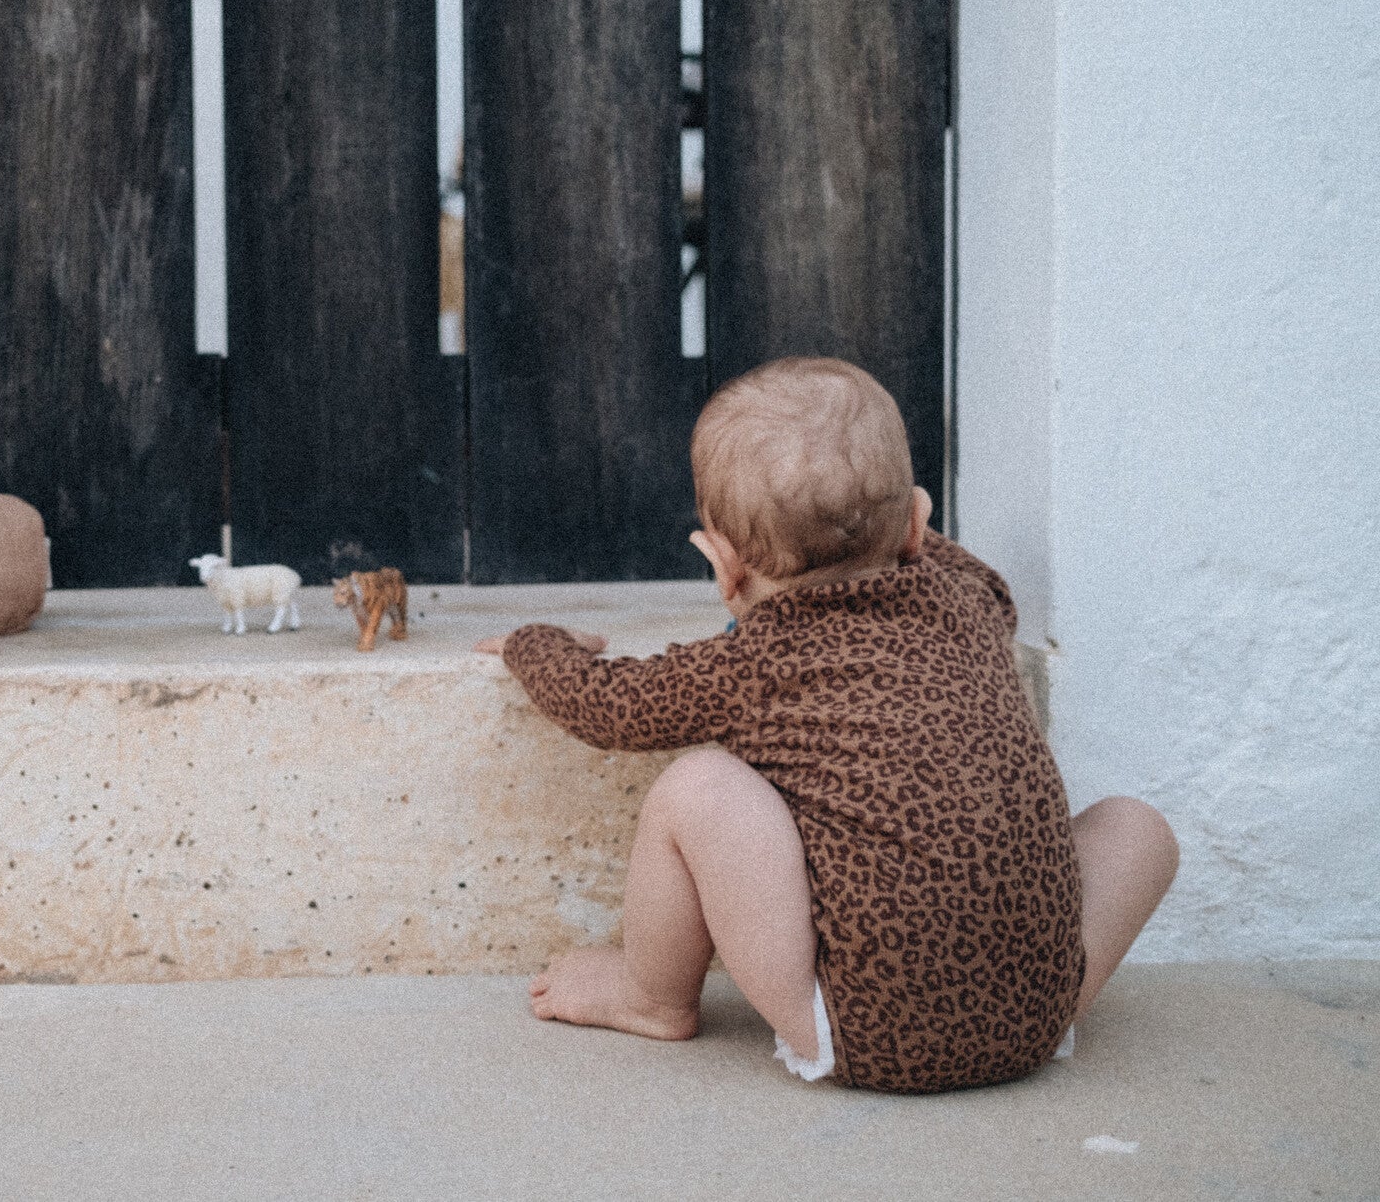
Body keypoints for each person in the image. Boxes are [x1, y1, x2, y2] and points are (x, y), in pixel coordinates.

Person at [475, 356, 1178, 1093]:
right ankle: (1024, 1011)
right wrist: (882, 527)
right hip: (1036, 1017)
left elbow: (605, 703)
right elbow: (991, 587)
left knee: (698, 786)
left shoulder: (753, 664)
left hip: (877, 1037)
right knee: (1137, 827)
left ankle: (651, 995)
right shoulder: (971, 604)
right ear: (918, 524)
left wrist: (535, 644)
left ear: (723, 569)